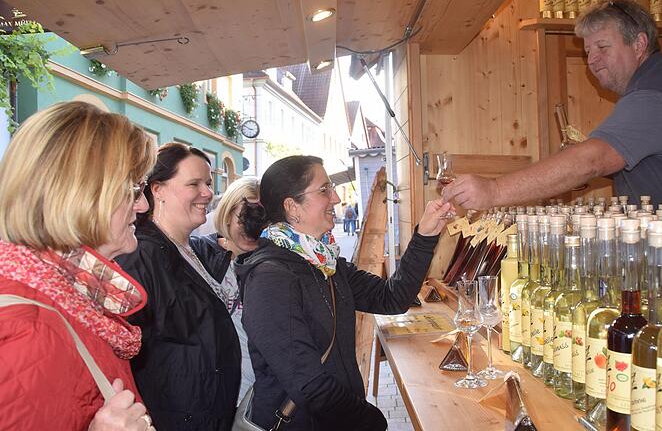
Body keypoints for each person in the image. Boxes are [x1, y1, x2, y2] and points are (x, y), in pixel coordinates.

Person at [442, 0, 662, 216]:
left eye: (602, 47)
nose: (592, 59)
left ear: (638, 44)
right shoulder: (654, 89)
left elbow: (593, 160)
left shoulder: (656, 96)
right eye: (588, 50)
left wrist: (494, 191)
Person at [235, 155, 452, 430]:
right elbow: (310, 385)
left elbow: (393, 297)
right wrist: (371, 421)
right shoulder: (269, 279)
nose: (336, 198)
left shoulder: (325, 263)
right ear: (292, 207)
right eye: (324, 190)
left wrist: (426, 235)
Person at [0, 101, 156, 430]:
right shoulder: (23, 329)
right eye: (135, 189)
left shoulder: (69, 294)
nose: (142, 205)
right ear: (84, 195)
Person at [115, 143, 240, 430]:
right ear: (157, 190)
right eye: (194, 184)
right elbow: (126, 354)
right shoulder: (141, 255)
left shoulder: (195, 249)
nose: (207, 193)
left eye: (208, 183)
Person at [191, 176, 260, 405]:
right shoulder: (199, 254)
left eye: (262, 215)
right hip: (217, 395)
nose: (254, 224)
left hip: (264, 397)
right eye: (246, 214)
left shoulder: (274, 265)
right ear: (228, 214)